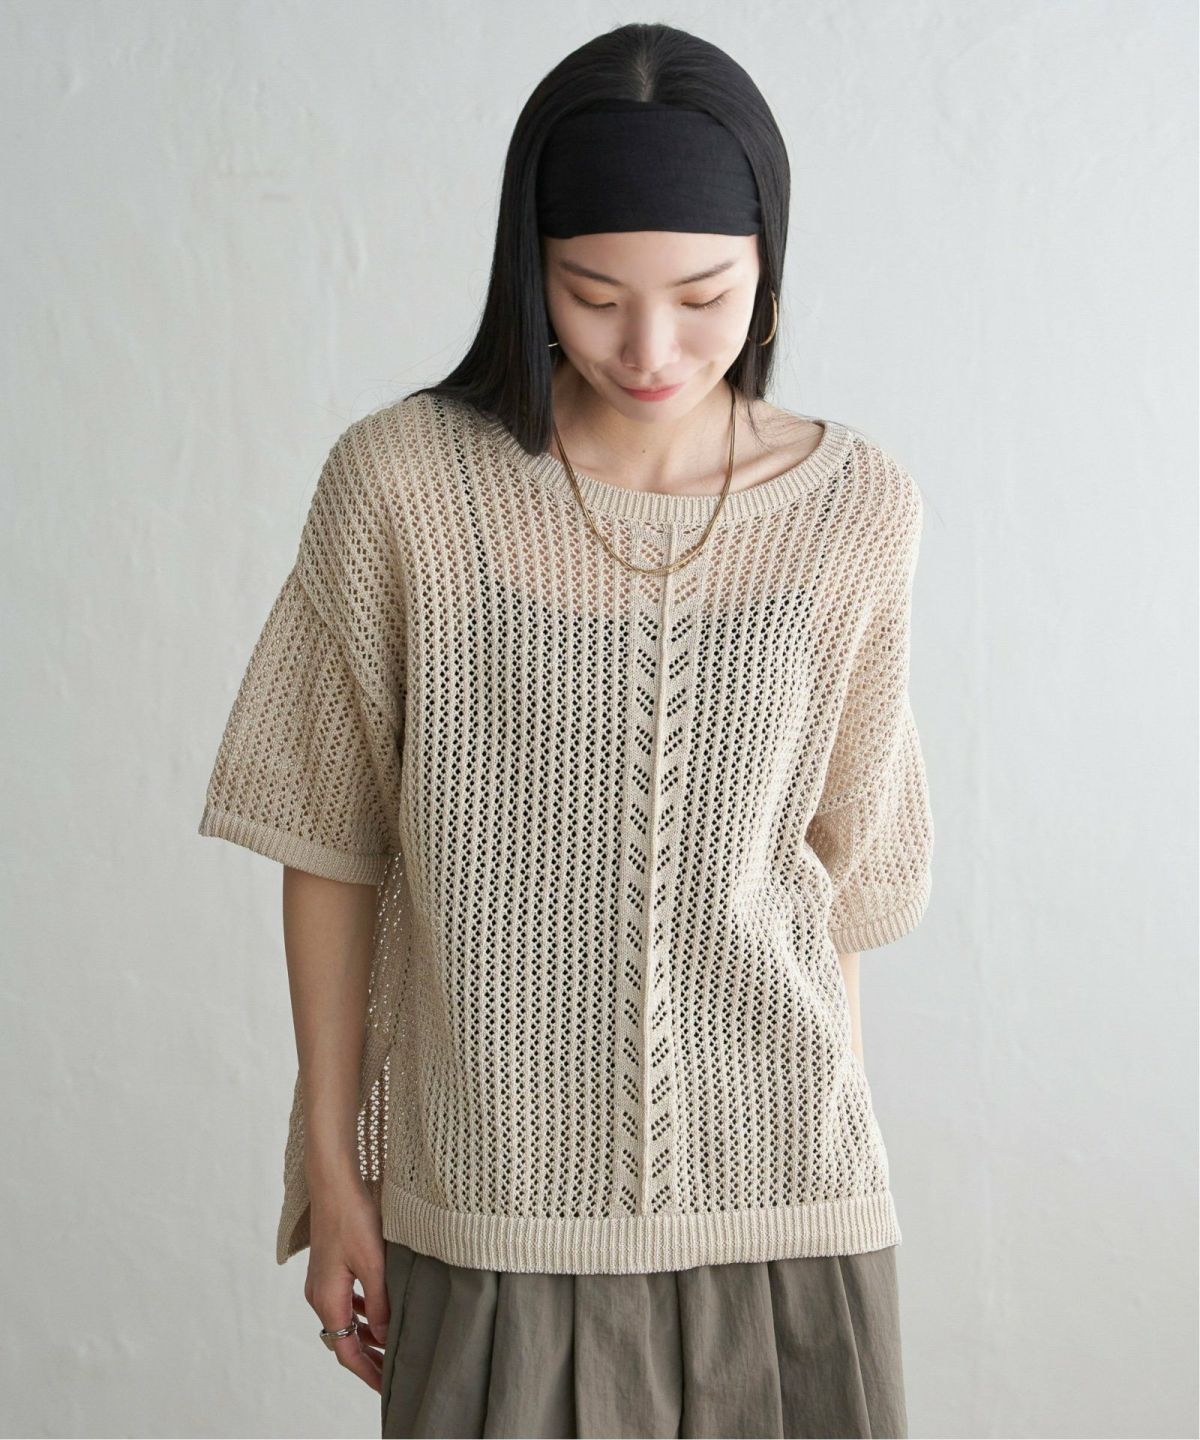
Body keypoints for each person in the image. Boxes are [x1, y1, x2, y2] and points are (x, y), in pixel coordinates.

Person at [198, 21, 934, 1440]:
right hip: (492, 1199)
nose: (651, 350)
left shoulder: (858, 510)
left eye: (705, 298)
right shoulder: (404, 487)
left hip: (788, 1204)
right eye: (593, 295)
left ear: (769, 267)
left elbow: (837, 885)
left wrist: (841, 1153)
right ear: (528, 270)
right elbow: (326, 841)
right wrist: (334, 1170)